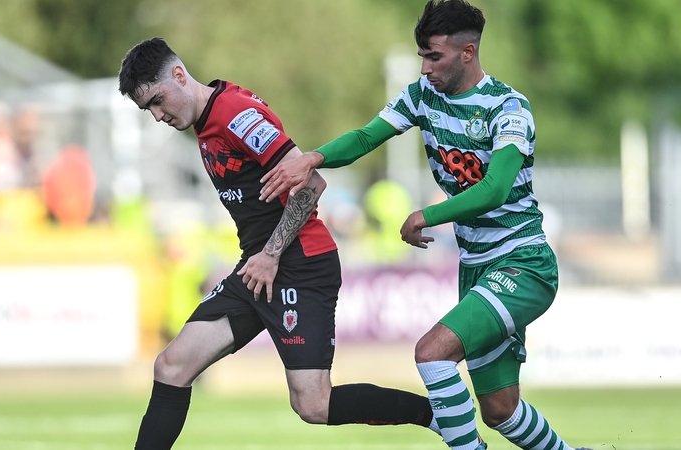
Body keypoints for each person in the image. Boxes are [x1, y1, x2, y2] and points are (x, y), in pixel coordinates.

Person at [260, 2, 593, 449]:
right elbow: (365, 137)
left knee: (431, 353)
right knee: (500, 410)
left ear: (468, 52)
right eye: (422, 56)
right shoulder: (421, 95)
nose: (425, 67)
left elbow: (495, 190)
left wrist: (425, 214)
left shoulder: (509, 108)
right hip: (477, 267)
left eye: (434, 56)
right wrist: (314, 158)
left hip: (523, 262)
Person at [118, 37, 447, 450]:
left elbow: (309, 181)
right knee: (171, 366)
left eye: (158, 100)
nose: (157, 115)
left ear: (180, 75)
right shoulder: (205, 120)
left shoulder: (236, 115)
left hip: (298, 263)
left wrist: (271, 254)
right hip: (258, 267)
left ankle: (438, 416)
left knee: (313, 404)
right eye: (147, 108)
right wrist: (264, 257)